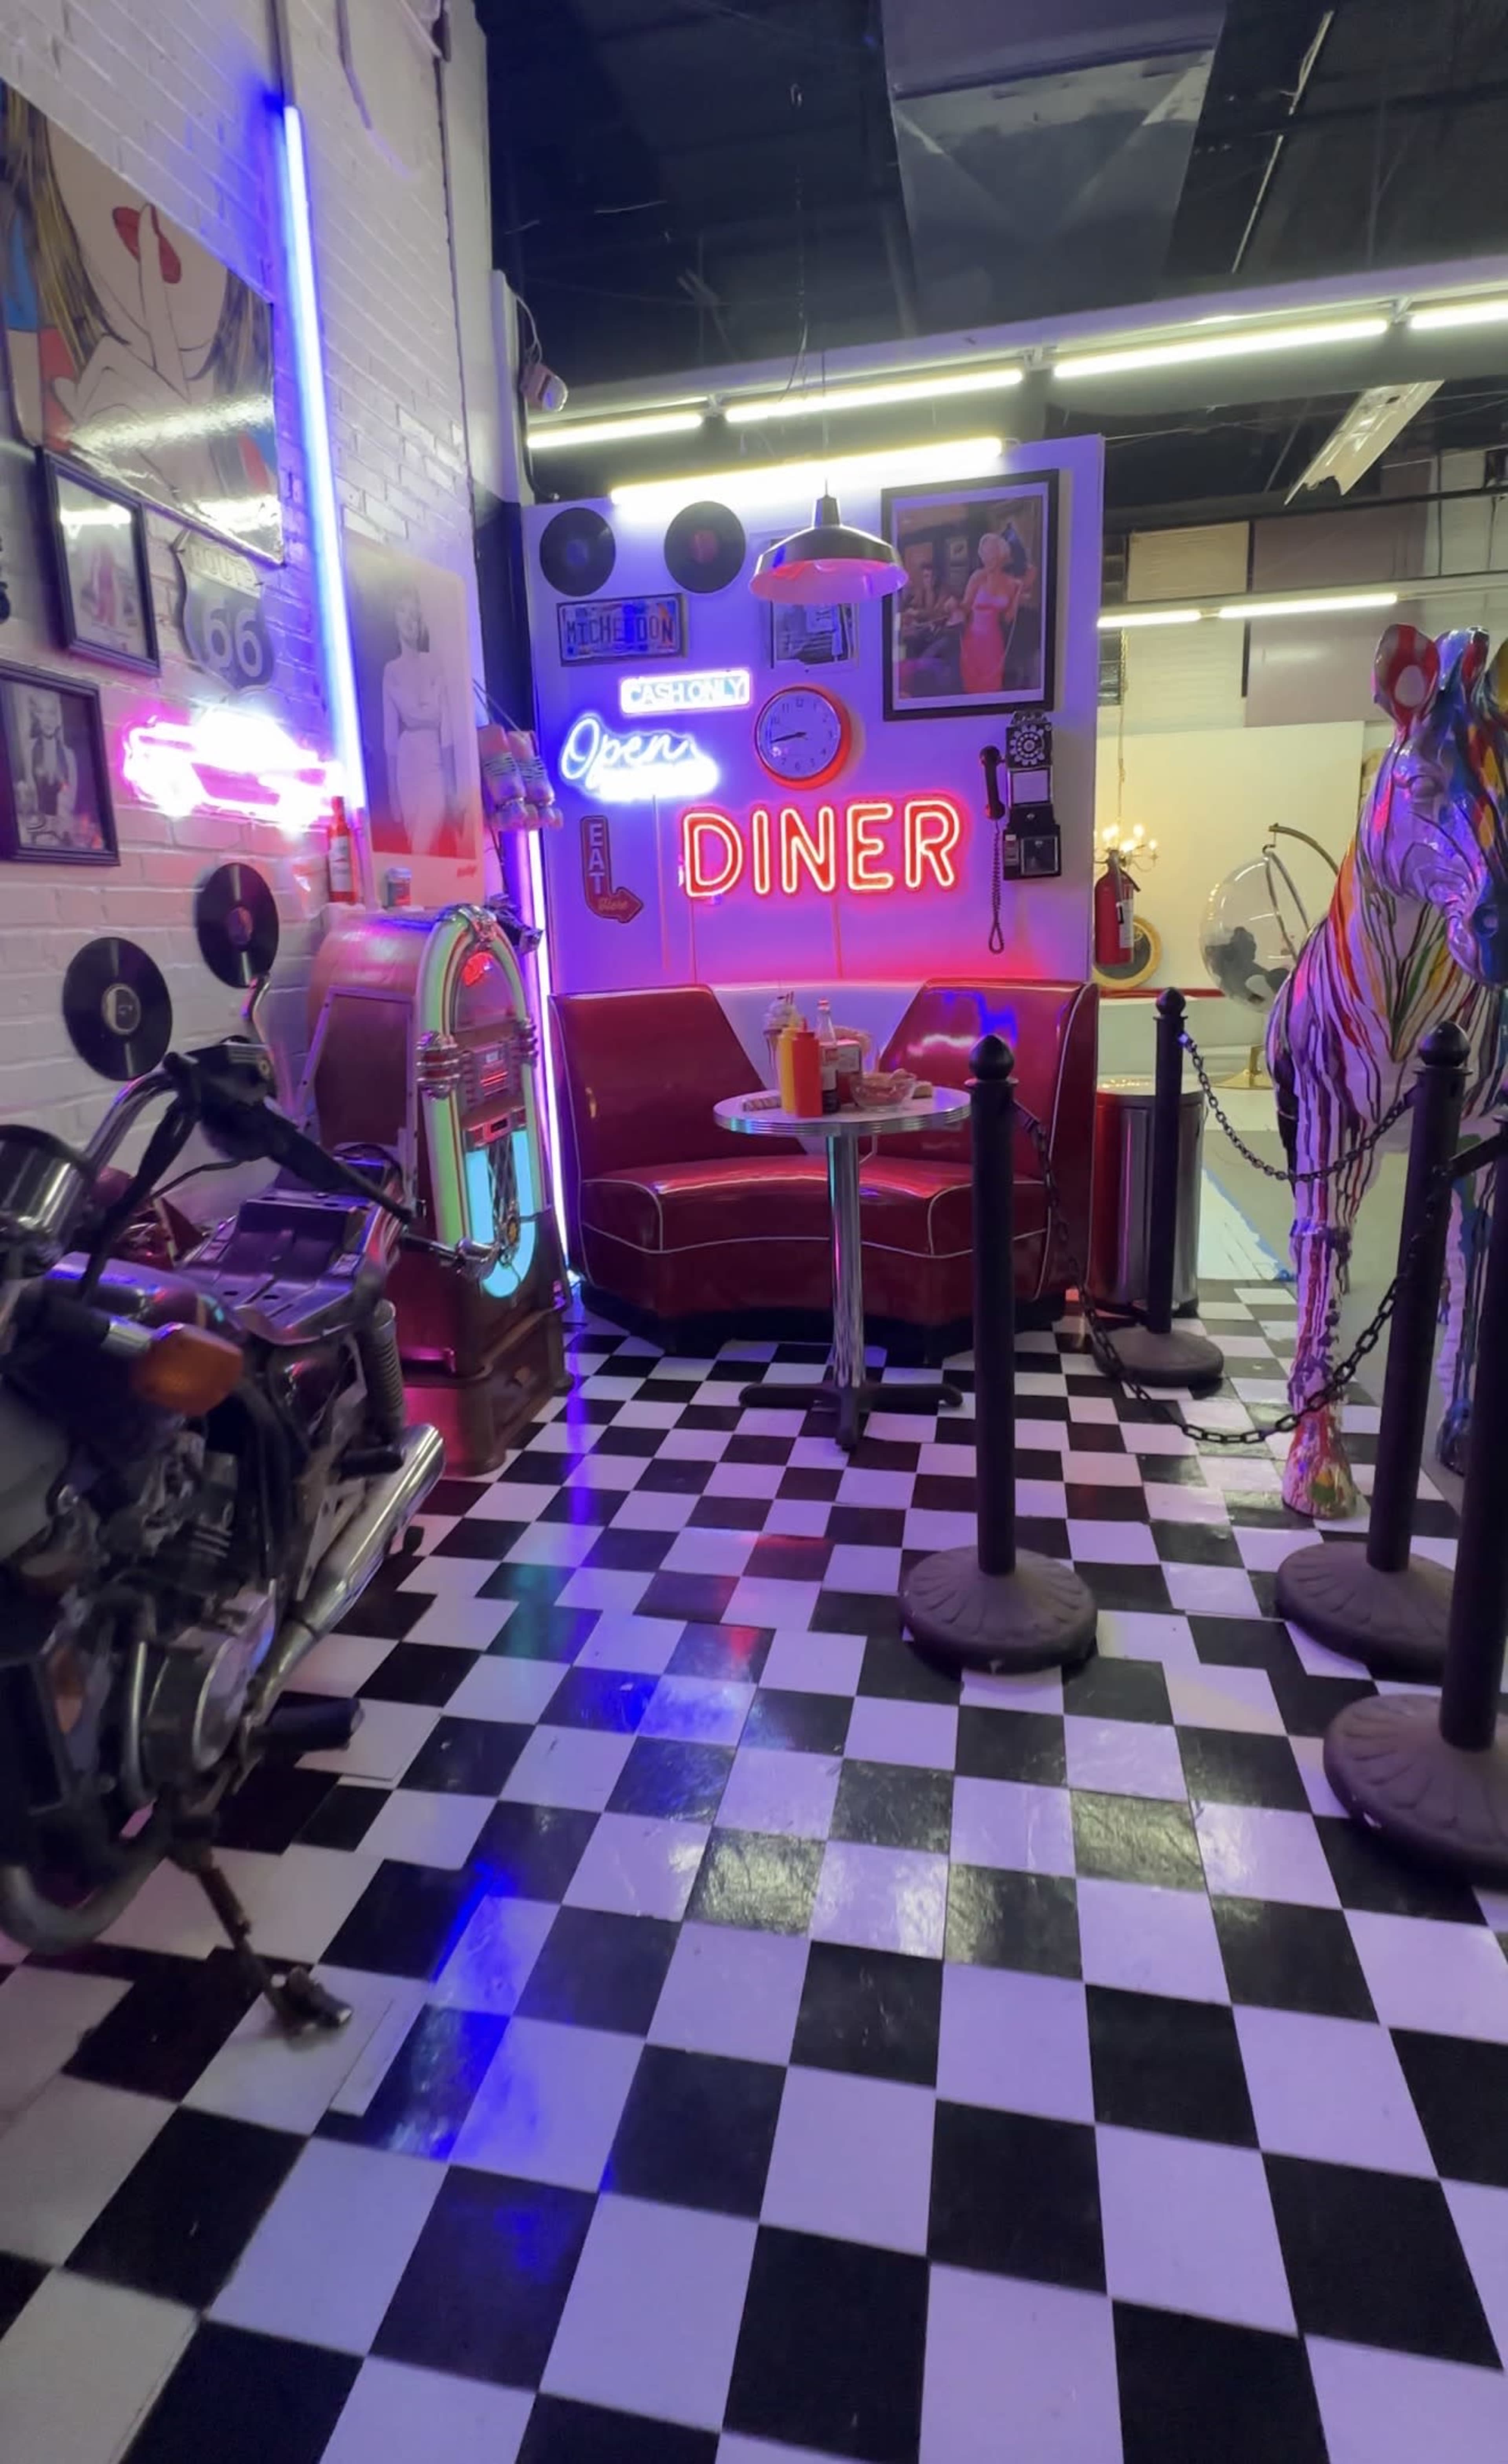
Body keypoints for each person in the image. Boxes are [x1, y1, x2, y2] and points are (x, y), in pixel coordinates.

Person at [0, 84, 277, 553]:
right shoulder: (34, 377)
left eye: (200, 184)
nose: (155, 213)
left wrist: (187, 467)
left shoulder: (257, 482)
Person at [382, 587, 459, 856]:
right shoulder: (391, 671)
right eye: (403, 612)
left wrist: (451, 786)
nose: (409, 620)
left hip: (433, 763)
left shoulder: (434, 664)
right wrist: (393, 795)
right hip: (407, 765)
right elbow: (390, 735)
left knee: (423, 847)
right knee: (424, 848)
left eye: (415, 615)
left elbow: (446, 729)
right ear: (395, 618)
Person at [959, 529, 1030, 698]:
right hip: (974, 642)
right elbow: (965, 607)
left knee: (992, 689)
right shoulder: (977, 577)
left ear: (1001, 556)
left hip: (994, 643)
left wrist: (1018, 593)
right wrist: (953, 607)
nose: (987, 558)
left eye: (991, 553)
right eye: (984, 553)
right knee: (973, 688)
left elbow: (1008, 618)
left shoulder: (1010, 583)